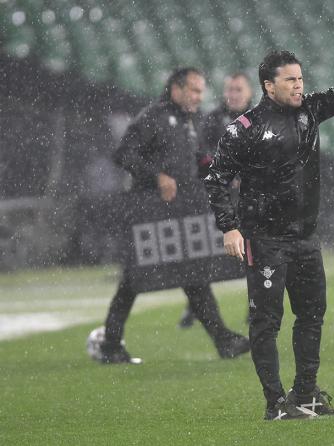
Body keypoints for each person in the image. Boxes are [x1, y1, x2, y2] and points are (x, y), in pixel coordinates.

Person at [205, 50, 334, 420]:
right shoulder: (244, 128)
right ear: (269, 86)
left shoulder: (309, 111)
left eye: (301, 78)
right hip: (265, 239)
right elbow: (216, 179)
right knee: (266, 321)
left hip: (305, 237)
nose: (299, 85)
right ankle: (275, 403)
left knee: (312, 313)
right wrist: (230, 227)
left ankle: (305, 394)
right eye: (290, 80)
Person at [98, 67, 250, 364]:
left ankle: (223, 339)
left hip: (181, 211)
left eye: (201, 91)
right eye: (193, 90)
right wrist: (157, 177)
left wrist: (223, 173)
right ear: (176, 89)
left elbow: (197, 160)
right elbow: (123, 154)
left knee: (192, 274)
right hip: (151, 212)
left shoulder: (189, 120)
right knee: (135, 277)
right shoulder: (154, 116)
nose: (199, 96)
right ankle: (111, 344)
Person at [178, 72, 254, 329]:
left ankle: (255, 305)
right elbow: (200, 153)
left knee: (254, 253)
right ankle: (196, 306)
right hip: (217, 196)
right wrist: (224, 170)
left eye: (238, 90)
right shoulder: (212, 119)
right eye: (230, 89)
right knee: (207, 252)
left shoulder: (260, 118)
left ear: (249, 93)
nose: (233, 94)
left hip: (251, 199)